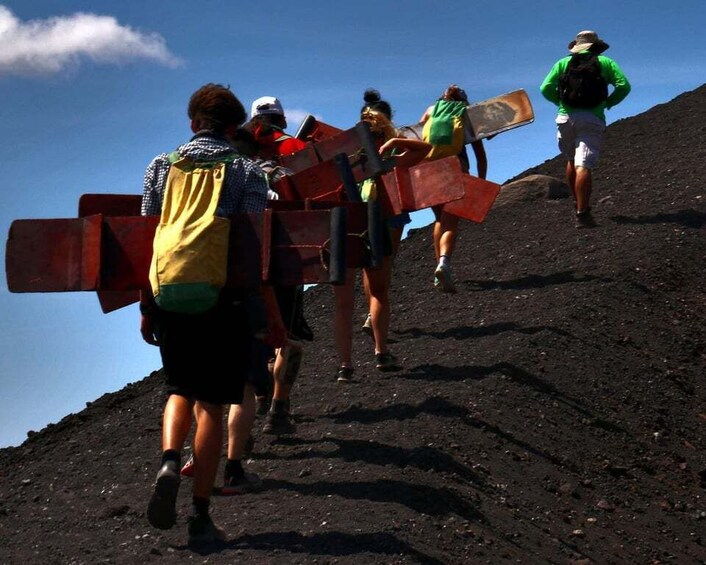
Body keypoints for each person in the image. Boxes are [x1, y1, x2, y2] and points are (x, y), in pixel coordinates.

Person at [140, 83, 269, 546]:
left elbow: (148, 234)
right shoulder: (248, 171)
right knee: (212, 405)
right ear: (235, 129)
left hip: (169, 289)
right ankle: (199, 514)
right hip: (223, 296)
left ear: (193, 122)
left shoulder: (160, 165)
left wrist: (146, 304)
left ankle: (170, 460)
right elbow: (253, 244)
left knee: (179, 389)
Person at [334, 89, 432, 382]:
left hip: (354, 219)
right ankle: (380, 351)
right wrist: (393, 139)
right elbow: (423, 150)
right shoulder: (389, 154)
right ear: (387, 121)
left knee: (345, 299)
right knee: (379, 288)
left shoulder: (352, 154)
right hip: (388, 216)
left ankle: (345, 366)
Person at [244, 96, 314, 435]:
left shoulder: (236, 159)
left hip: (242, 263)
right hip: (286, 257)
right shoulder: (296, 148)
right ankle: (279, 411)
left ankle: (258, 396)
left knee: (252, 332)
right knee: (286, 333)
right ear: (281, 120)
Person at [540, 30, 631, 228]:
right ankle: (582, 214)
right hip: (592, 117)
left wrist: (561, 102)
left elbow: (545, 88)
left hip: (565, 117)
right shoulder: (605, 63)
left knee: (571, 160)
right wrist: (608, 103)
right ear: (594, 46)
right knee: (584, 165)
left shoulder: (562, 63)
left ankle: (576, 201)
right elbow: (623, 86)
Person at [419, 84, 487, 293]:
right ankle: (444, 264)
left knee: (439, 219)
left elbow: (417, 130)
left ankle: (438, 271)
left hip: (428, 169)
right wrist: (480, 182)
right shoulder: (466, 116)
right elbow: (480, 155)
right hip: (454, 167)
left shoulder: (431, 110)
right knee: (451, 222)